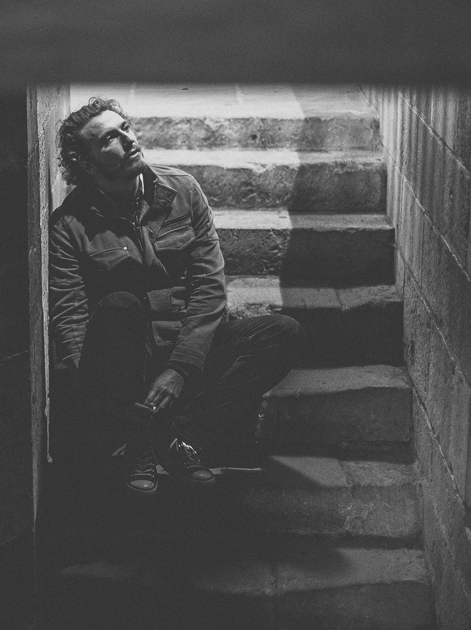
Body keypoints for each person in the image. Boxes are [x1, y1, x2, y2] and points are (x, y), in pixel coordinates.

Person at [48, 96, 301, 496]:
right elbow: (69, 316)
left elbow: (210, 287)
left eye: (125, 128)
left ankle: (173, 435)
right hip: (123, 367)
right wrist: (97, 390)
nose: (128, 140)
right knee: (120, 306)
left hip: (184, 351)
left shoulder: (182, 190)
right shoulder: (70, 225)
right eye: (109, 139)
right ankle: (136, 435)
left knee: (281, 332)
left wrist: (182, 368)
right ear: (87, 163)